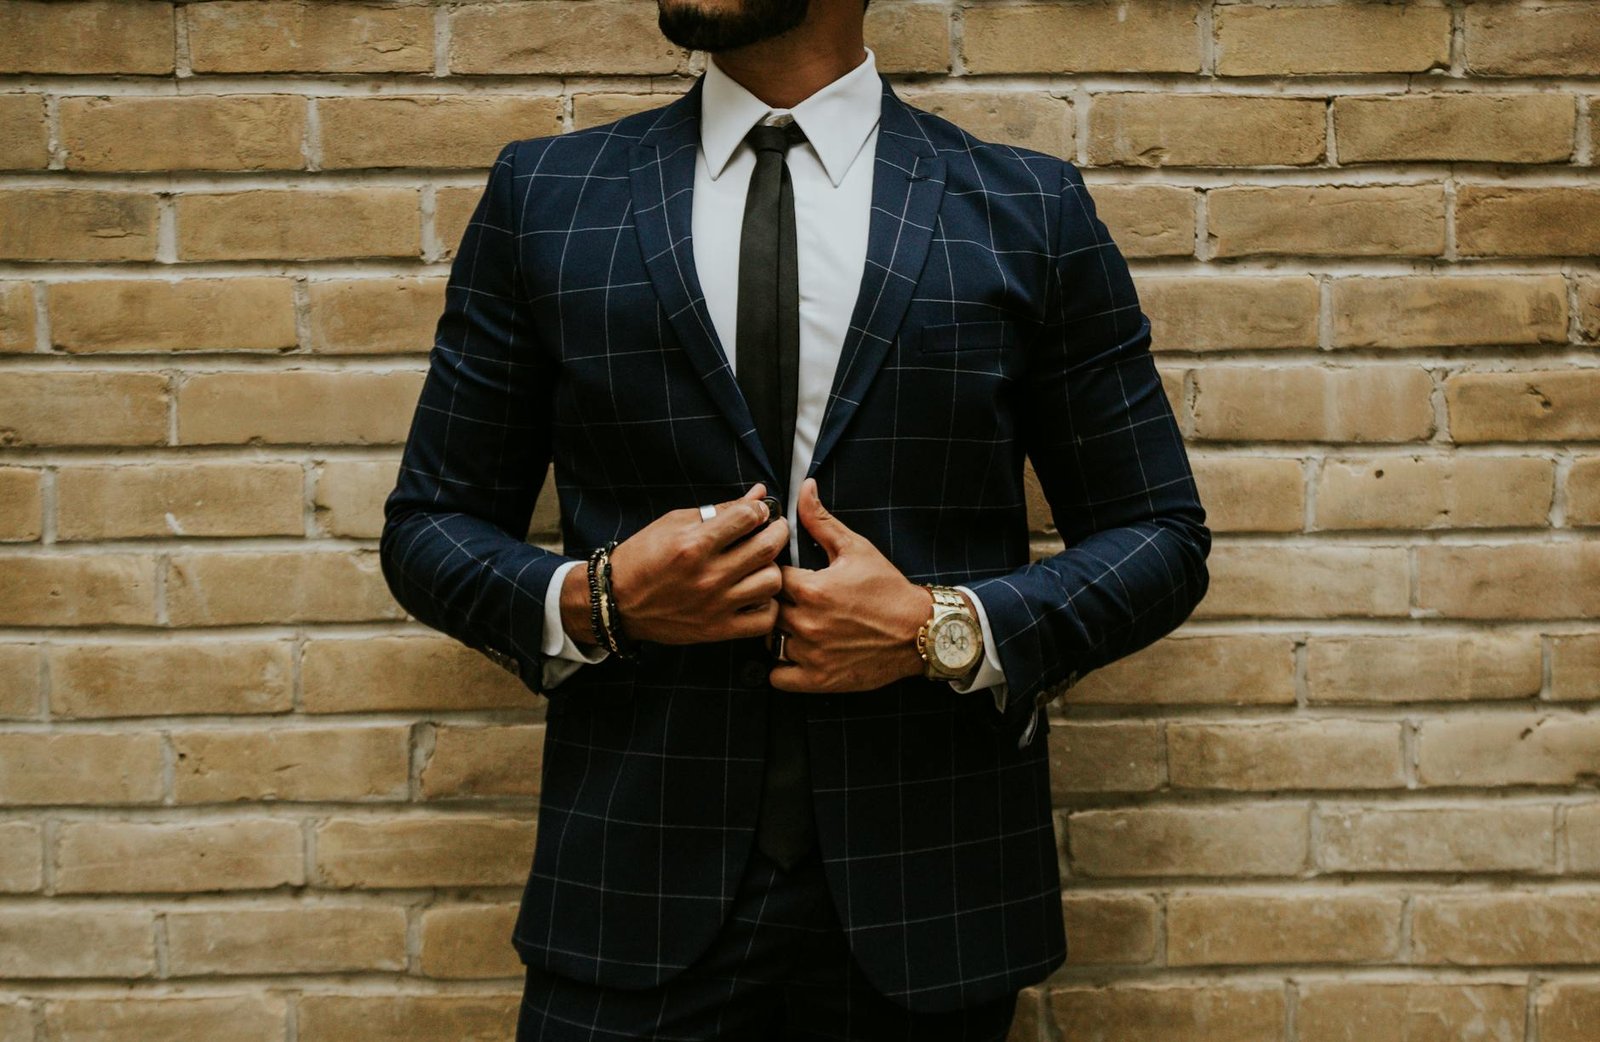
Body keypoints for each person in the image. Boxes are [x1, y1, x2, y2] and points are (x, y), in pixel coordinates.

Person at [379, 0, 1211, 1037]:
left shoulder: (1026, 208)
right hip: (632, 893)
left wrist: (940, 629)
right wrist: (600, 599)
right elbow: (430, 523)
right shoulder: (549, 195)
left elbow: (1159, 536)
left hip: (930, 901)